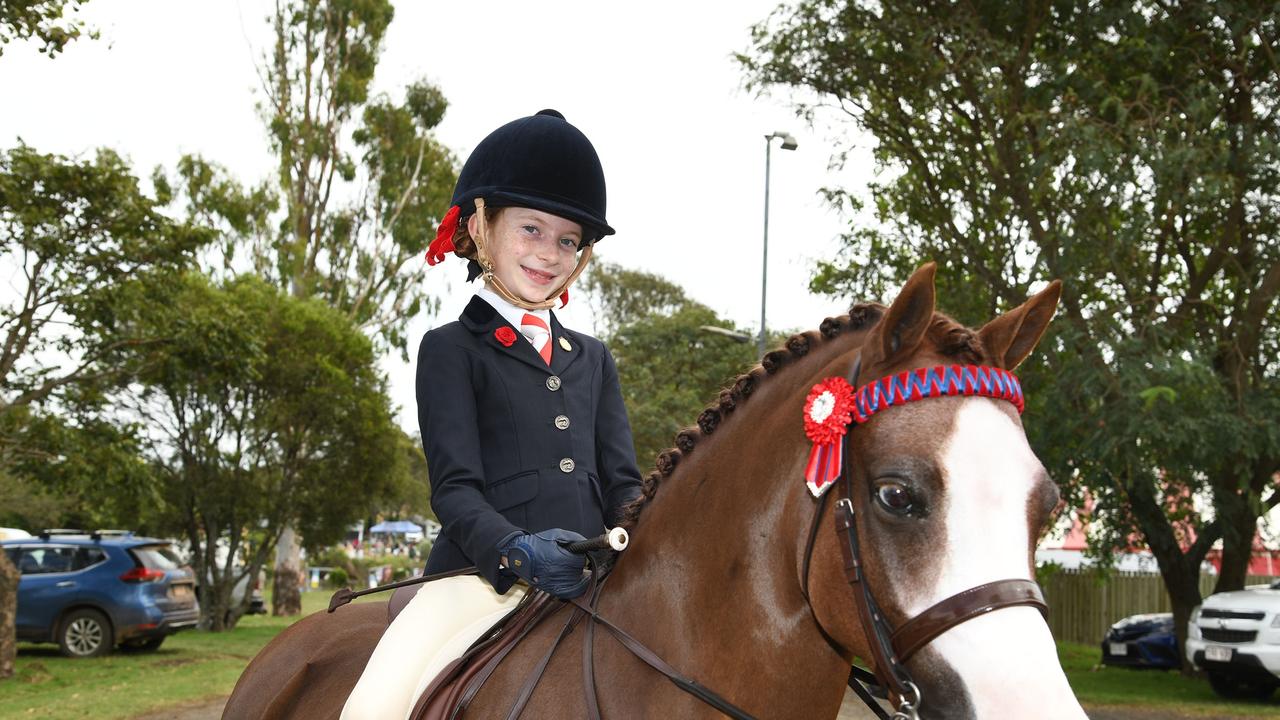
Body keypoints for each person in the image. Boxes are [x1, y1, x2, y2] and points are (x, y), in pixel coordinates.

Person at [341, 109, 643, 720]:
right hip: (475, 581)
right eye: (531, 229)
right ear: (481, 226)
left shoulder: (593, 358)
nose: (549, 253)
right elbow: (454, 490)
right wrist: (517, 550)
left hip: (592, 580)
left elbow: (622, 484)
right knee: (378, 705)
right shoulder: (451, 348)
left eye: (567, 240)